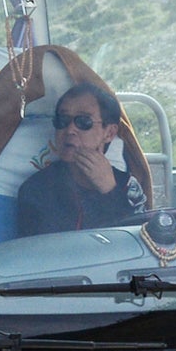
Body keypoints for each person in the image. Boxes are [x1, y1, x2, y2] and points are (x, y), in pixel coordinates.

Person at [17, 83, 147, 237]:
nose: (70, 130)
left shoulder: (127, 186)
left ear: (109, 133)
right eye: (62, 120)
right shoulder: (36, 188)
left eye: (84, 122)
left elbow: (135, 245)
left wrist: (110, 191)